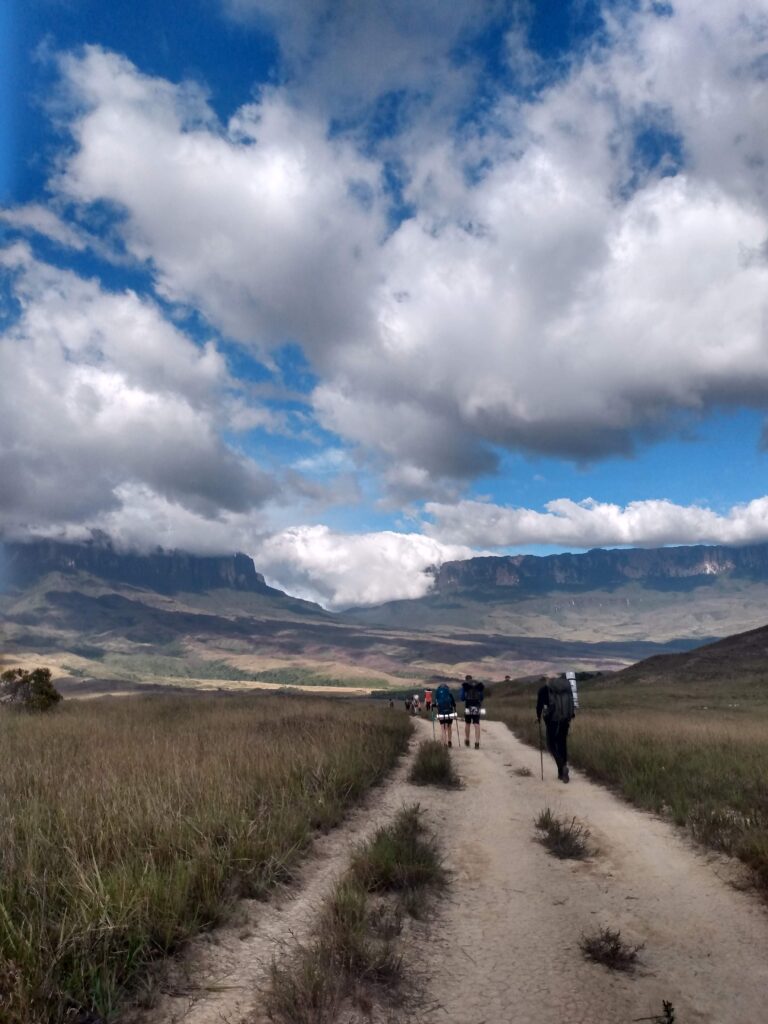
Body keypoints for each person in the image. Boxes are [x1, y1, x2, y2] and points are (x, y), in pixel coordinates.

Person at [536, 672, 577, 782]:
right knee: (562, 744)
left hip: (552, 721)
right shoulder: (566, 687)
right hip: (565, 720)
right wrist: (570, 715)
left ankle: (562, 767)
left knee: (551, 745)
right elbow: (572, 703)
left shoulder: (544, 689)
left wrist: (538, 718)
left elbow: (539, 706)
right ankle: (561, 774)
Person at [460, 674, 486, 749]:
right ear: (472, 679)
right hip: (477, 706)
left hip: (468, 706)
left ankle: (467, 739)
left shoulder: (465, 686)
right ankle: (477, 742)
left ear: (466, 679)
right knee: (476, 724)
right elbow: (481, 697)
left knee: (467, 723)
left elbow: (462, 698)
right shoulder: (478, 686)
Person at [434, 682, 456, 746]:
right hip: (450, 712)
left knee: (443, 729)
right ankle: (449, 741)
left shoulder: (438, 694)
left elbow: (436, 704)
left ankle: (444, 743)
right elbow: (454, 704)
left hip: (441, 712)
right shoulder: (449, 694)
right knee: (449, 727)